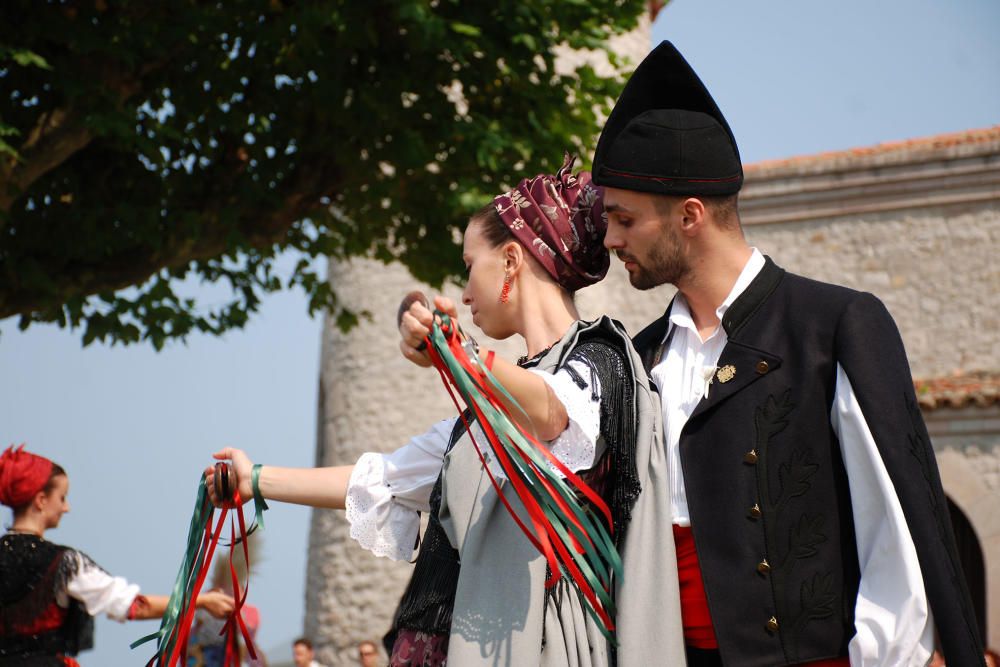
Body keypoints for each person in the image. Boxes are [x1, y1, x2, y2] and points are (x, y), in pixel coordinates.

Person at [591, 41, 985, 666]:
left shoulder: (832, 327)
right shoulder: (640, 358)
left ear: (689, 215)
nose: (609, 238)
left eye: (623, 219)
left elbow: (893, 527)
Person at [206, 155, 684, 666]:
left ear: (511, 261)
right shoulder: (483, 408)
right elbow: (386, 479)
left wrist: (460, 352)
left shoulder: (599, 360)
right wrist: (252, 480)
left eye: (468, 264)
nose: (463, 290)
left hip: (547, 646)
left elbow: (551, 414)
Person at [0, 444, 234, 666]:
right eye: (62, 498)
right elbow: (135, 607)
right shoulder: (64, 564)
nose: (66, 507)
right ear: (41, 501)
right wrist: (201, 600)